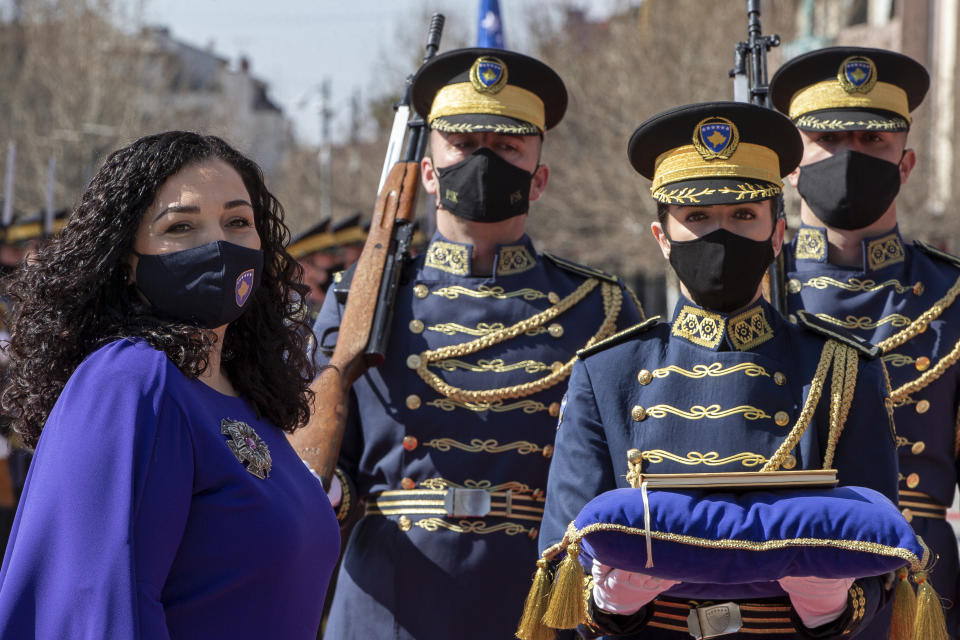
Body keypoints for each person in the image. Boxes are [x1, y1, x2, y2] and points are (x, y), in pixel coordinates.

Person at [301, 48, 644, 639]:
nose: (483, 160)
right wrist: (324, 487)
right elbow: (326, 460)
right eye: (463, 145)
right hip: (391, 599)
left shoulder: (600, 308)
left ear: (539, 179)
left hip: (534, 597)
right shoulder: (361, 297)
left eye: (507, 148)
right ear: (429, 171)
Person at [539, 102, 899, 639]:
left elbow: (880, 553)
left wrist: (830, 603)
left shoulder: (840, 369)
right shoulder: (607, 373)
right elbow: (559, 563)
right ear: (662, 239)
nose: (720, 235)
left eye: (743, 217)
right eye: (698, 218)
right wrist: (611, 600)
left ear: (778, 236)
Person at [0, 131, 339, 638]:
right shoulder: (131, 379)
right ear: (128, 264)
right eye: (181, 226)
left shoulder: (247, 394)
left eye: (237, 222)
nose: (218, 245)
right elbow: (99, 602)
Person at [769, 46, 959, 635]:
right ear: (793, 164)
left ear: (905, 165)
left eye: (872, 142)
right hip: (776, 574)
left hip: (915, 583)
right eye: (830, 140)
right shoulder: (750, 288)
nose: (850, 157)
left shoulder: (951, 295)